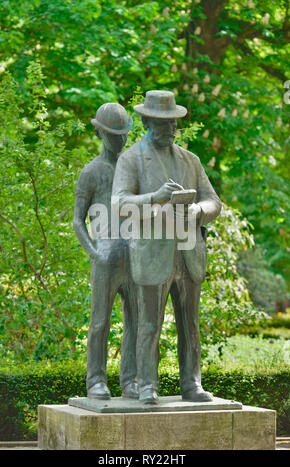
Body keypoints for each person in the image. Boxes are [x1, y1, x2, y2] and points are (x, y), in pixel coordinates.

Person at [112, 90, 222, 404]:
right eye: (161, 123)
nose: (168, 129)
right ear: (146, 121)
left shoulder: (191, 160)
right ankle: (146, 386)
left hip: (188, 253)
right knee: (149, 324)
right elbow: (119, 203)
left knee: (190, 324)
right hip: (152, 253)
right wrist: (156, 197)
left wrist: (198, 211)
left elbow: (214, 201)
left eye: (172, 123)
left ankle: (192, 384)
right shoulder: (131, 158)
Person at [73, 103, 138, 400]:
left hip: (134, 255)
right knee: (100, 321)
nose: (119, 140)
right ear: (99, 132)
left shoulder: (133, 169)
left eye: (123, 135)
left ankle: (131, 380)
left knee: (137, 322)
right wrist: (94, 253)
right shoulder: (91, 172)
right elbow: (77, 220)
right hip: (105, 255)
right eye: (113, 135)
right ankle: (95, 380)